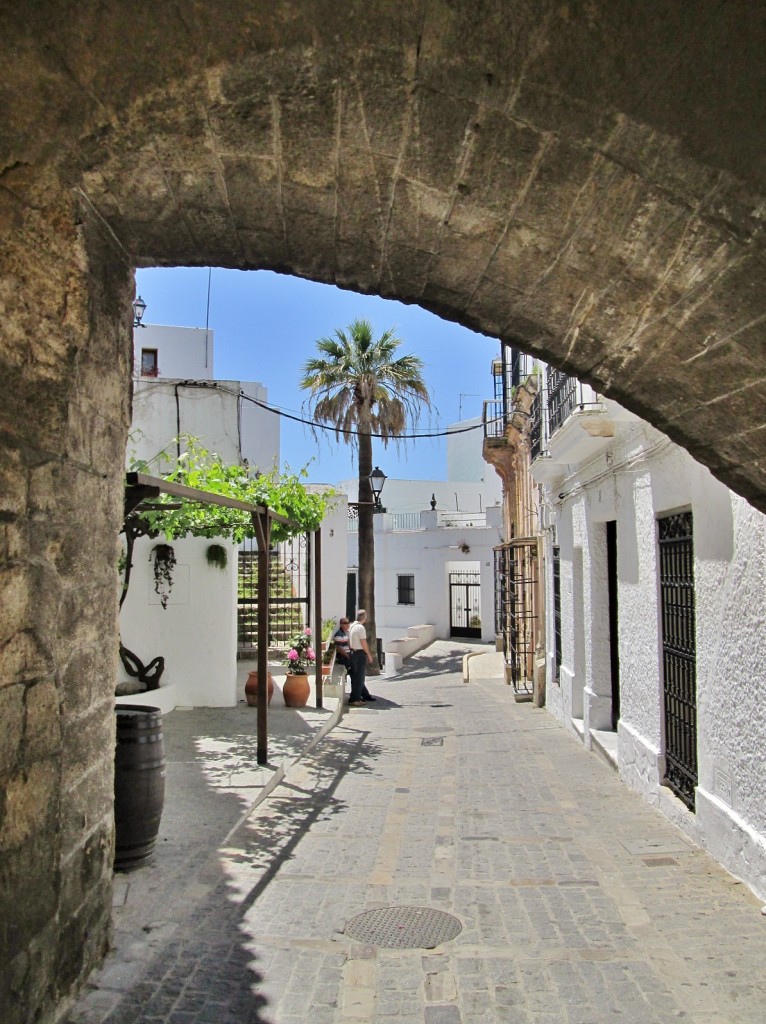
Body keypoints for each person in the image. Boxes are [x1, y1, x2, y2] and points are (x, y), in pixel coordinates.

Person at [348, 609, 375, 705]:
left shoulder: (351, 626)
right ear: (364, 618)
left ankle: (357, 697)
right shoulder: (360, 628)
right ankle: (355, 699)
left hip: (352, 653)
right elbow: (363, 642)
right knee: (360, 677)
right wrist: (369, 654)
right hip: (359, 654)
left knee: (355, 677)